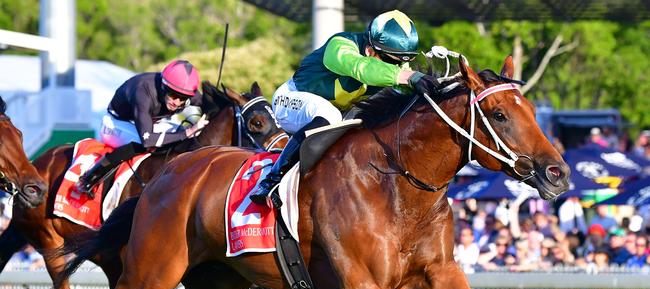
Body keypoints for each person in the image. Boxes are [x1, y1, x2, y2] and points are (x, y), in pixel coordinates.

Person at [249, 9, 441, 208]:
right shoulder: (340, 45)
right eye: (392, 61)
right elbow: (361, 68)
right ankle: (272, 181)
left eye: (402, 62)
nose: (398, 68)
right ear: (369, 50)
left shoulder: (393, 65)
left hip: (334, 113)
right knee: (330, 115)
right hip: (290, 99)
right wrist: (407, 77)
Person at [76, 59, 208, 197]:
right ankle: (89, 178)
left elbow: (210, 106)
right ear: (164, 87)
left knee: (184, 137)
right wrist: (188, 132)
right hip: (116, 123)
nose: (177, 102)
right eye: (173, 96)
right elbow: (148, 140)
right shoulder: (144, 91)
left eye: (183, 99)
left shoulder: (184, 92)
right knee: (143, 144)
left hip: (151, 123)